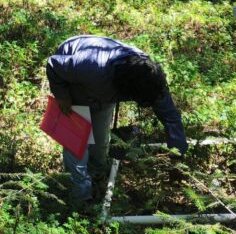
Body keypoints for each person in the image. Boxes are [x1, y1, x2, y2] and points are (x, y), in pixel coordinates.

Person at [46, 35, 188, 204]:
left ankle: (97, 178)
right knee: (77, 148)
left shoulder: (151, 79)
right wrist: (62, 96)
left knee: (99, 143)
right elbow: (54, 64)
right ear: (125, 89)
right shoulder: (91, 67)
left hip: (103, 94)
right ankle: (80, 199)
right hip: (75, 85)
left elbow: (171, 117)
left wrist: (177, 158)